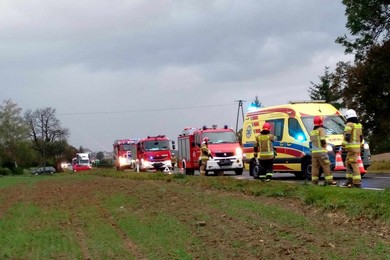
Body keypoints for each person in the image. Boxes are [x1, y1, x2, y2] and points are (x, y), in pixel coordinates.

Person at [309, 116, 337, 186]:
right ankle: (329, 181)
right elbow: (322, 139)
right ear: (321, 122)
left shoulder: (312, 132)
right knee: (326, 165)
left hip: (314, 153)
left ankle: (314, 182)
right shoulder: (321, 130)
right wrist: (325, 145)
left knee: (315, 167)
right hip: (321, 152)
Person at [342, 109, 363, 188]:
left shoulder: (349, 125)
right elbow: (361, 137)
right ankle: (349, 180)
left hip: (351, 148)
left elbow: (347, 136)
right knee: (347, 163)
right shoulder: (358, 125)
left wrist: (343, 144)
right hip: (356, 148)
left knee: (353, 164)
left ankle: (357, 182)